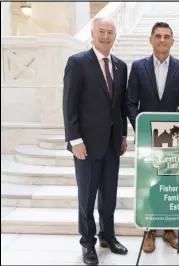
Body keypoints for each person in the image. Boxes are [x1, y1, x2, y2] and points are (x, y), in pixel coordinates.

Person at [63, 17, 128, 265]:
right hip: (86, 145)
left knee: (109, 196)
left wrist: (122, 135)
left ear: (115, 36)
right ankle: (87, 243)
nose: (105, 36)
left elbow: (120, 106)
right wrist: (75, 139)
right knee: (87, 196)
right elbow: (69, 104)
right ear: (92, 33)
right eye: (101, 31)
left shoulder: (121, 66)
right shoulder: (78, 62)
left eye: (110, 32)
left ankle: (107, 236)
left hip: (112, 144)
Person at [126, 22, 179, 253]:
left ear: (172, 40)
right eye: (158, 36)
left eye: (166, 36)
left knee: (172, 184)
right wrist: (142, 128)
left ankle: (170, 231)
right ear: (151, 39)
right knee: (149, 184)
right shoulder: (137, 67)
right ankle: (150, 230)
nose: (162, 40)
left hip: (174, 142)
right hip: (147, 140)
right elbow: (131, 103)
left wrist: (176, 130)